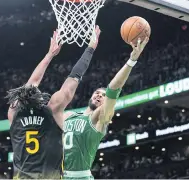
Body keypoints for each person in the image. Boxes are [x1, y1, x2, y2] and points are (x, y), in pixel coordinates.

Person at [6, 26, 101, 179]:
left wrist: (49, 55)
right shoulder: (53, 110)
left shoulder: (14, 112)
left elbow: (32, 83)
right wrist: (90, 49)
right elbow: (74, 77)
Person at [63, 37, 150, 179]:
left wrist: (131, 61)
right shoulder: (69, 116)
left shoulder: (99, 119)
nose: (99, 95)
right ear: (91, 96)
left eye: (103, 95)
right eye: (96, 92)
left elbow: (113, 89)